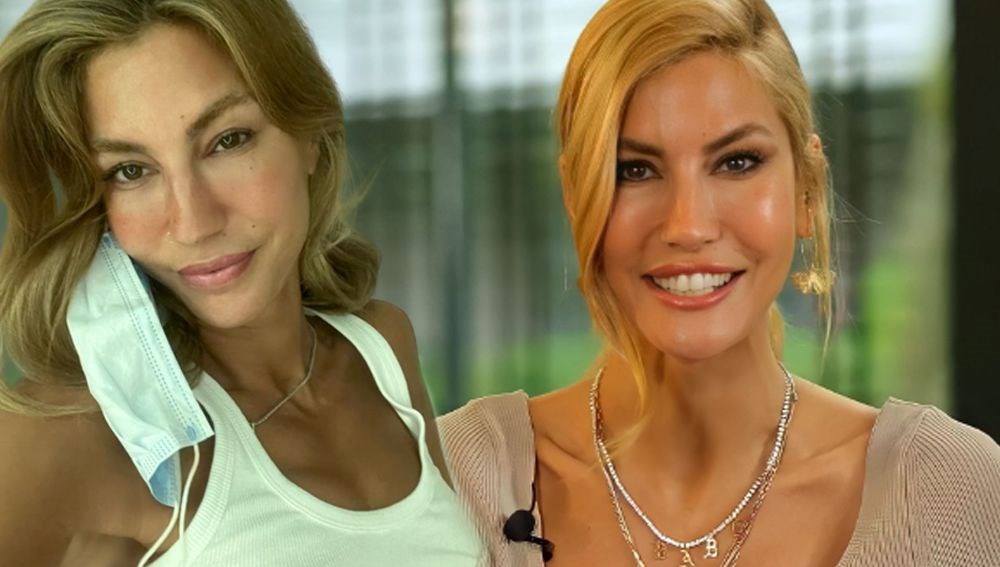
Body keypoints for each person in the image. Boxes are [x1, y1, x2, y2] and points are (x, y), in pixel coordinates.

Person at [440, 0, 1000, 565]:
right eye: (634, 169)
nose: (688, 226)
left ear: (807, 188)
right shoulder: (455, 481)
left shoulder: (950, 493)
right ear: (574, 196)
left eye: (737, 162)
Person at [0, 0, 482, 565]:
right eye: (131, 171)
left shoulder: (382, 347)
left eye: (228, 140)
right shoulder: (72, 430)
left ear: (310, 133)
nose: (194, 223)